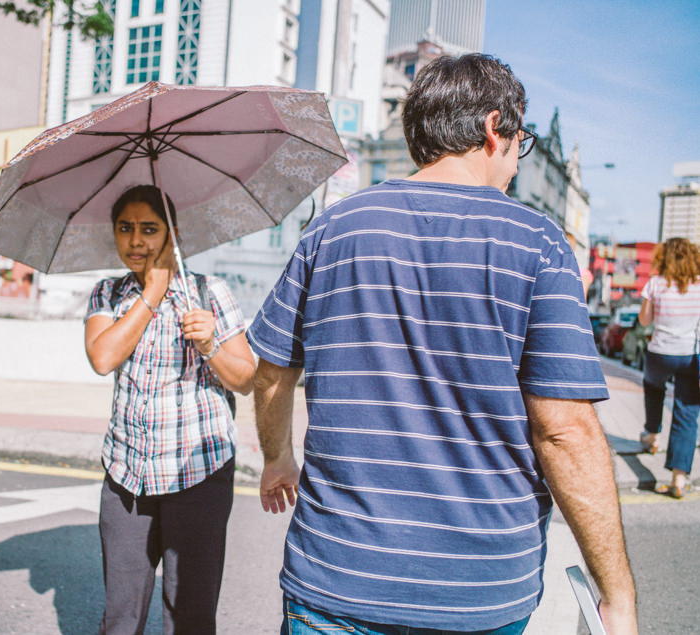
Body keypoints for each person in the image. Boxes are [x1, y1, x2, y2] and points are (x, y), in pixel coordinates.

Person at [249, 54, 637, 635]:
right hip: (476, 591)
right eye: (519, 142)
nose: (515, 159)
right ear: (493, 127)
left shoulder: (333, 227)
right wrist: (617, 592)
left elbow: (272, 370)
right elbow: (564, 430)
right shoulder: (537, 243)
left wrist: (278, 457)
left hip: (336, 574)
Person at [84, 184, 255, 634]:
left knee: (191, 615)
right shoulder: (107, 295)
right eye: (125, 229)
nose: (136, 241)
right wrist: (152, 294)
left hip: (197, 470)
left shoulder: (208, 292)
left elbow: (246, 378)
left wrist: (211, 343)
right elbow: (103, 358)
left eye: (149, 229)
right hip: (127, 474)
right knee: (121, 615)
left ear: (172, 234)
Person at [637, 237, 700, 499]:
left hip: (660, 354)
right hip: (690, 355)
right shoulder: (698, 286)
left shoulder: (655, 284)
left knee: (653, 388)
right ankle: (679, 479)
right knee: (687, 412)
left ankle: (652, 435)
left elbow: (644, 320)